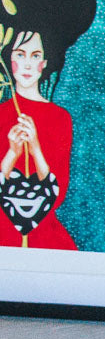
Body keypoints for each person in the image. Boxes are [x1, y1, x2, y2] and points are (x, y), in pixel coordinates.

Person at [1, 26, 77, 249]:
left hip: (44, 231)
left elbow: (58, 192)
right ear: (9, 59)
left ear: (44, 63)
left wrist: (35, 147)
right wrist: (12, 153)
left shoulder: (60, 118)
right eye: (20, 54)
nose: (27, 64)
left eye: (35, 56)